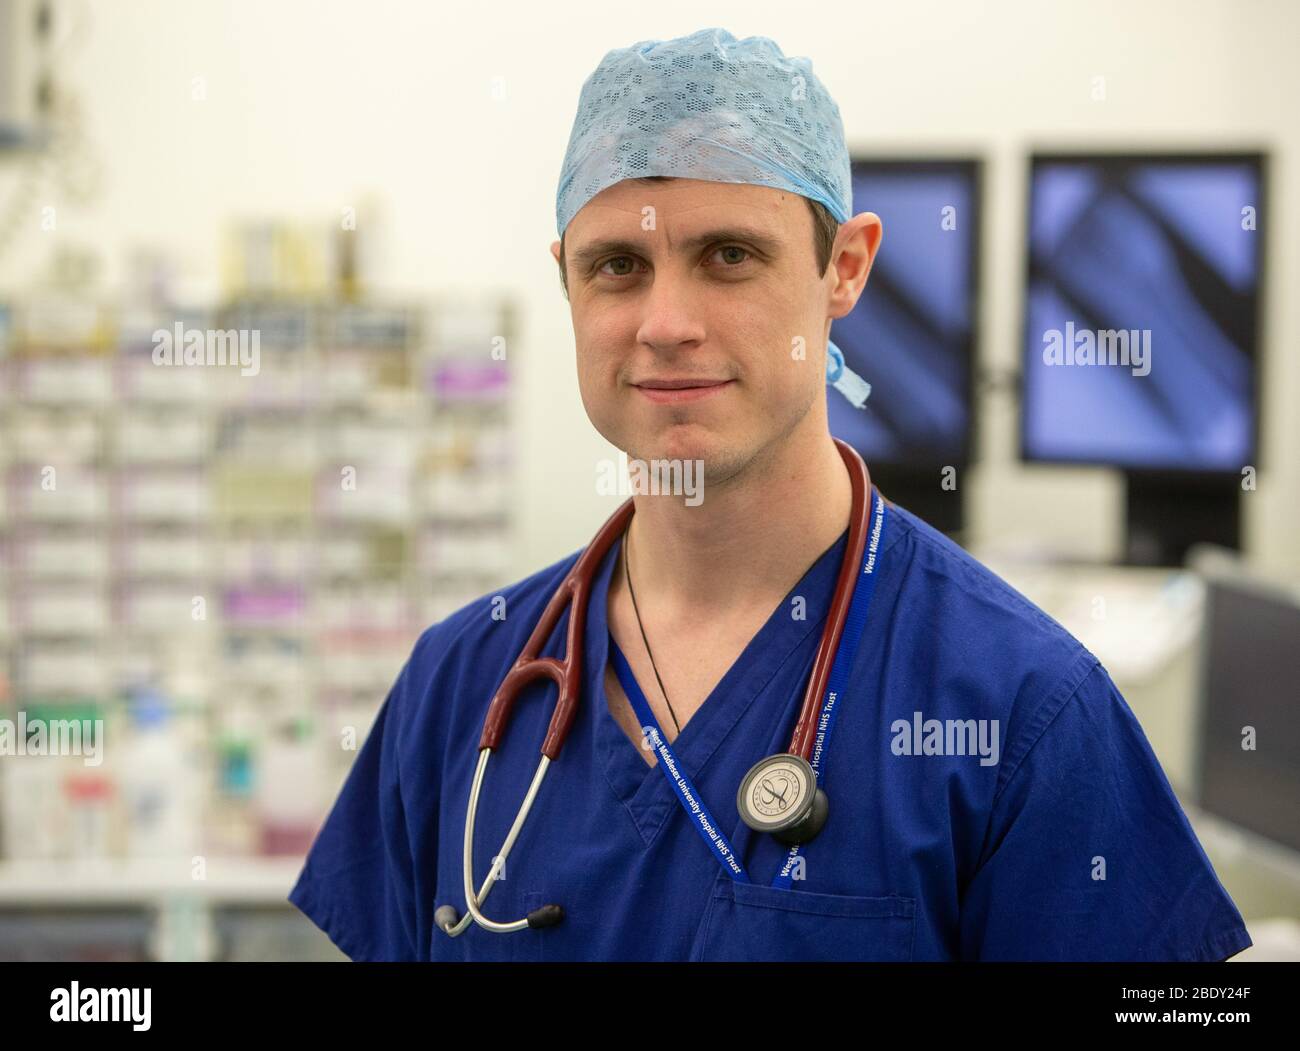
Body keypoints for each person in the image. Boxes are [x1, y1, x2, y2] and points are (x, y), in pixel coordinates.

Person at [288, 27, 1252, 962]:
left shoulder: (1021, 708)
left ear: (846, 269)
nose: (665, 324)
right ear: (567, 284)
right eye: (619, 266)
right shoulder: (460, 685)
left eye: (729, 257)